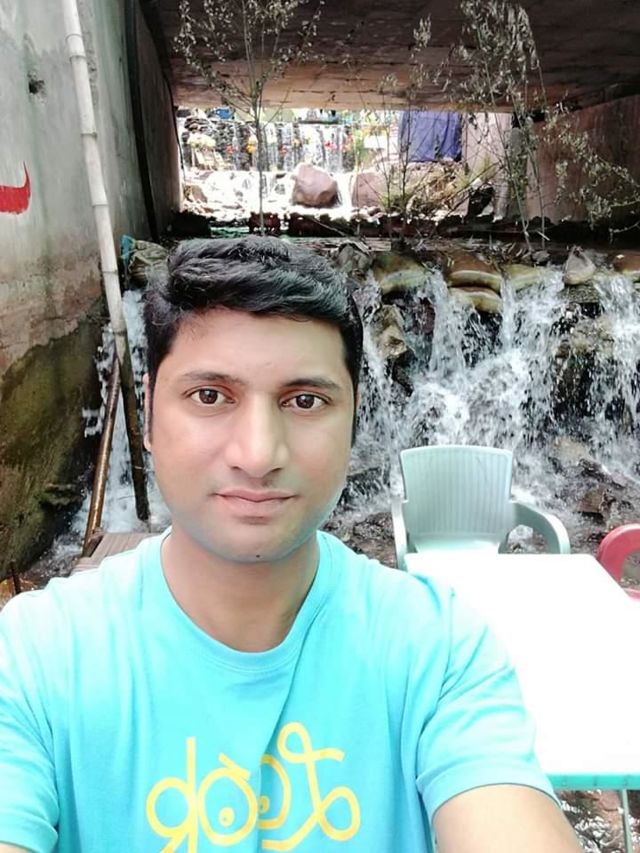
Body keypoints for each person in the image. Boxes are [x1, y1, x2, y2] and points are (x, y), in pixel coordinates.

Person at [0, 237, 581, 853]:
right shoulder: (35, 659)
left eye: (305, 401)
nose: (258, 455)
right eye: (210, 396)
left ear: (353, 421)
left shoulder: (438, 654)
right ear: (146, 414)